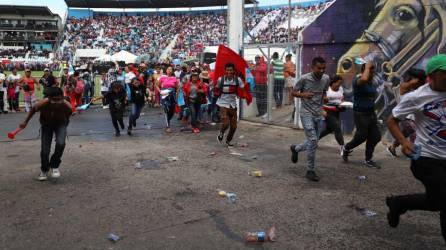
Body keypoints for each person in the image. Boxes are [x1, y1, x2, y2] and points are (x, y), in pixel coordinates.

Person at [386, 54, 446, 243]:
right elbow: (392, 121)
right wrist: (403, 142)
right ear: (434, 75)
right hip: (426, 159)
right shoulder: (417, 97)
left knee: (436, 202)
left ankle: (398, 203)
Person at [19, 87, 72, 181]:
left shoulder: (66, 105)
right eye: (55, 100)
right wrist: (25, 122)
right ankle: (44, 170)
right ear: (49, 98)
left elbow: (68, 114)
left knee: (61, 143)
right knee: (45, 150)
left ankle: (54, 166)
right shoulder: (41, 104)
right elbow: (32, 111)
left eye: (60, 99)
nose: (57, 102)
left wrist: (64, 127)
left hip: (60, 125)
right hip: (46, 125)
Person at [290, 57, 330, 182]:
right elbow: (293, 92)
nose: (321, 71)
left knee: (314, 143)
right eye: (319, 68)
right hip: (306, 113)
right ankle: (310, 171)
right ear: (312, 67)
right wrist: (303, 95)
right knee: (312, 140)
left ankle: (295, 148)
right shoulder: (304, 78)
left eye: (323, 68)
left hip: (318, 114)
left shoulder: (326, 78)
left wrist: (325, 98)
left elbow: (324, 92)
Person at [341, 62, 381, 168]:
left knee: (375, 136)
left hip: (371, 113)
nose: (372, 74)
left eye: (373, 72)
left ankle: (368, 159)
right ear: (364, 71)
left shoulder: (370, 82)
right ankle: (346, 148)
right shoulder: (357, 80)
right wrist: (367, 66)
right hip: (361, 114)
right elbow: (363, 79)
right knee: (361, 136)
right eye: (370, 71)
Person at [387, 68, 426, 157]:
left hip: (409, 116)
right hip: (407, 117)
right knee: (415, 134)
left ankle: (392, 147)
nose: (421, 84)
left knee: (404, 133)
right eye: (420, 81)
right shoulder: (405, 86)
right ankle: (415, 154)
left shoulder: (411, 86)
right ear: (415, 79)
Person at [216, 63, 244, 147]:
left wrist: (242, 93)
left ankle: (228, 140)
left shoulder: (238, 80)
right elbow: (216, 88)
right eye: (227, 70)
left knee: (234, 126)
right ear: (225, 71)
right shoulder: (220, 79)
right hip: (222, 103)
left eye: (231, 70)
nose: (229, 72)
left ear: (234, 71)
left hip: (233, 104)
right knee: (226, 123)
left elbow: (243, 89)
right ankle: (221, 132)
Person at [319, 74, 345, 149]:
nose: (339, 85)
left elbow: (342, 98)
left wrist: (343, 104)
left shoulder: (340, 88)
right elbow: (319, 101)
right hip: (327, 112)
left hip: (337, 111)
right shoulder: (327, 89)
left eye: (341, 84)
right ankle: (343, 147)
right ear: (333, 82)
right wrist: (322, 110)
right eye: (338, 83)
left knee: (329, 129)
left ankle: (314, 139)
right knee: (337, 127)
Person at [158, 66, 179, 133]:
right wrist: (160, 91)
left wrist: (176, 94)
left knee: (172, 111)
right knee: (166, 110)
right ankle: (168, 126)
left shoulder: (174, 78)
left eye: (171, 69)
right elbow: (156, 85)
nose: (169, 70)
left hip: (172, 96)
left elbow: (178, 88)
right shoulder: (162, 77)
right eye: (168, 69)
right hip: (164, 96)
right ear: (166, 70)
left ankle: (168, 121)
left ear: (172, 71)